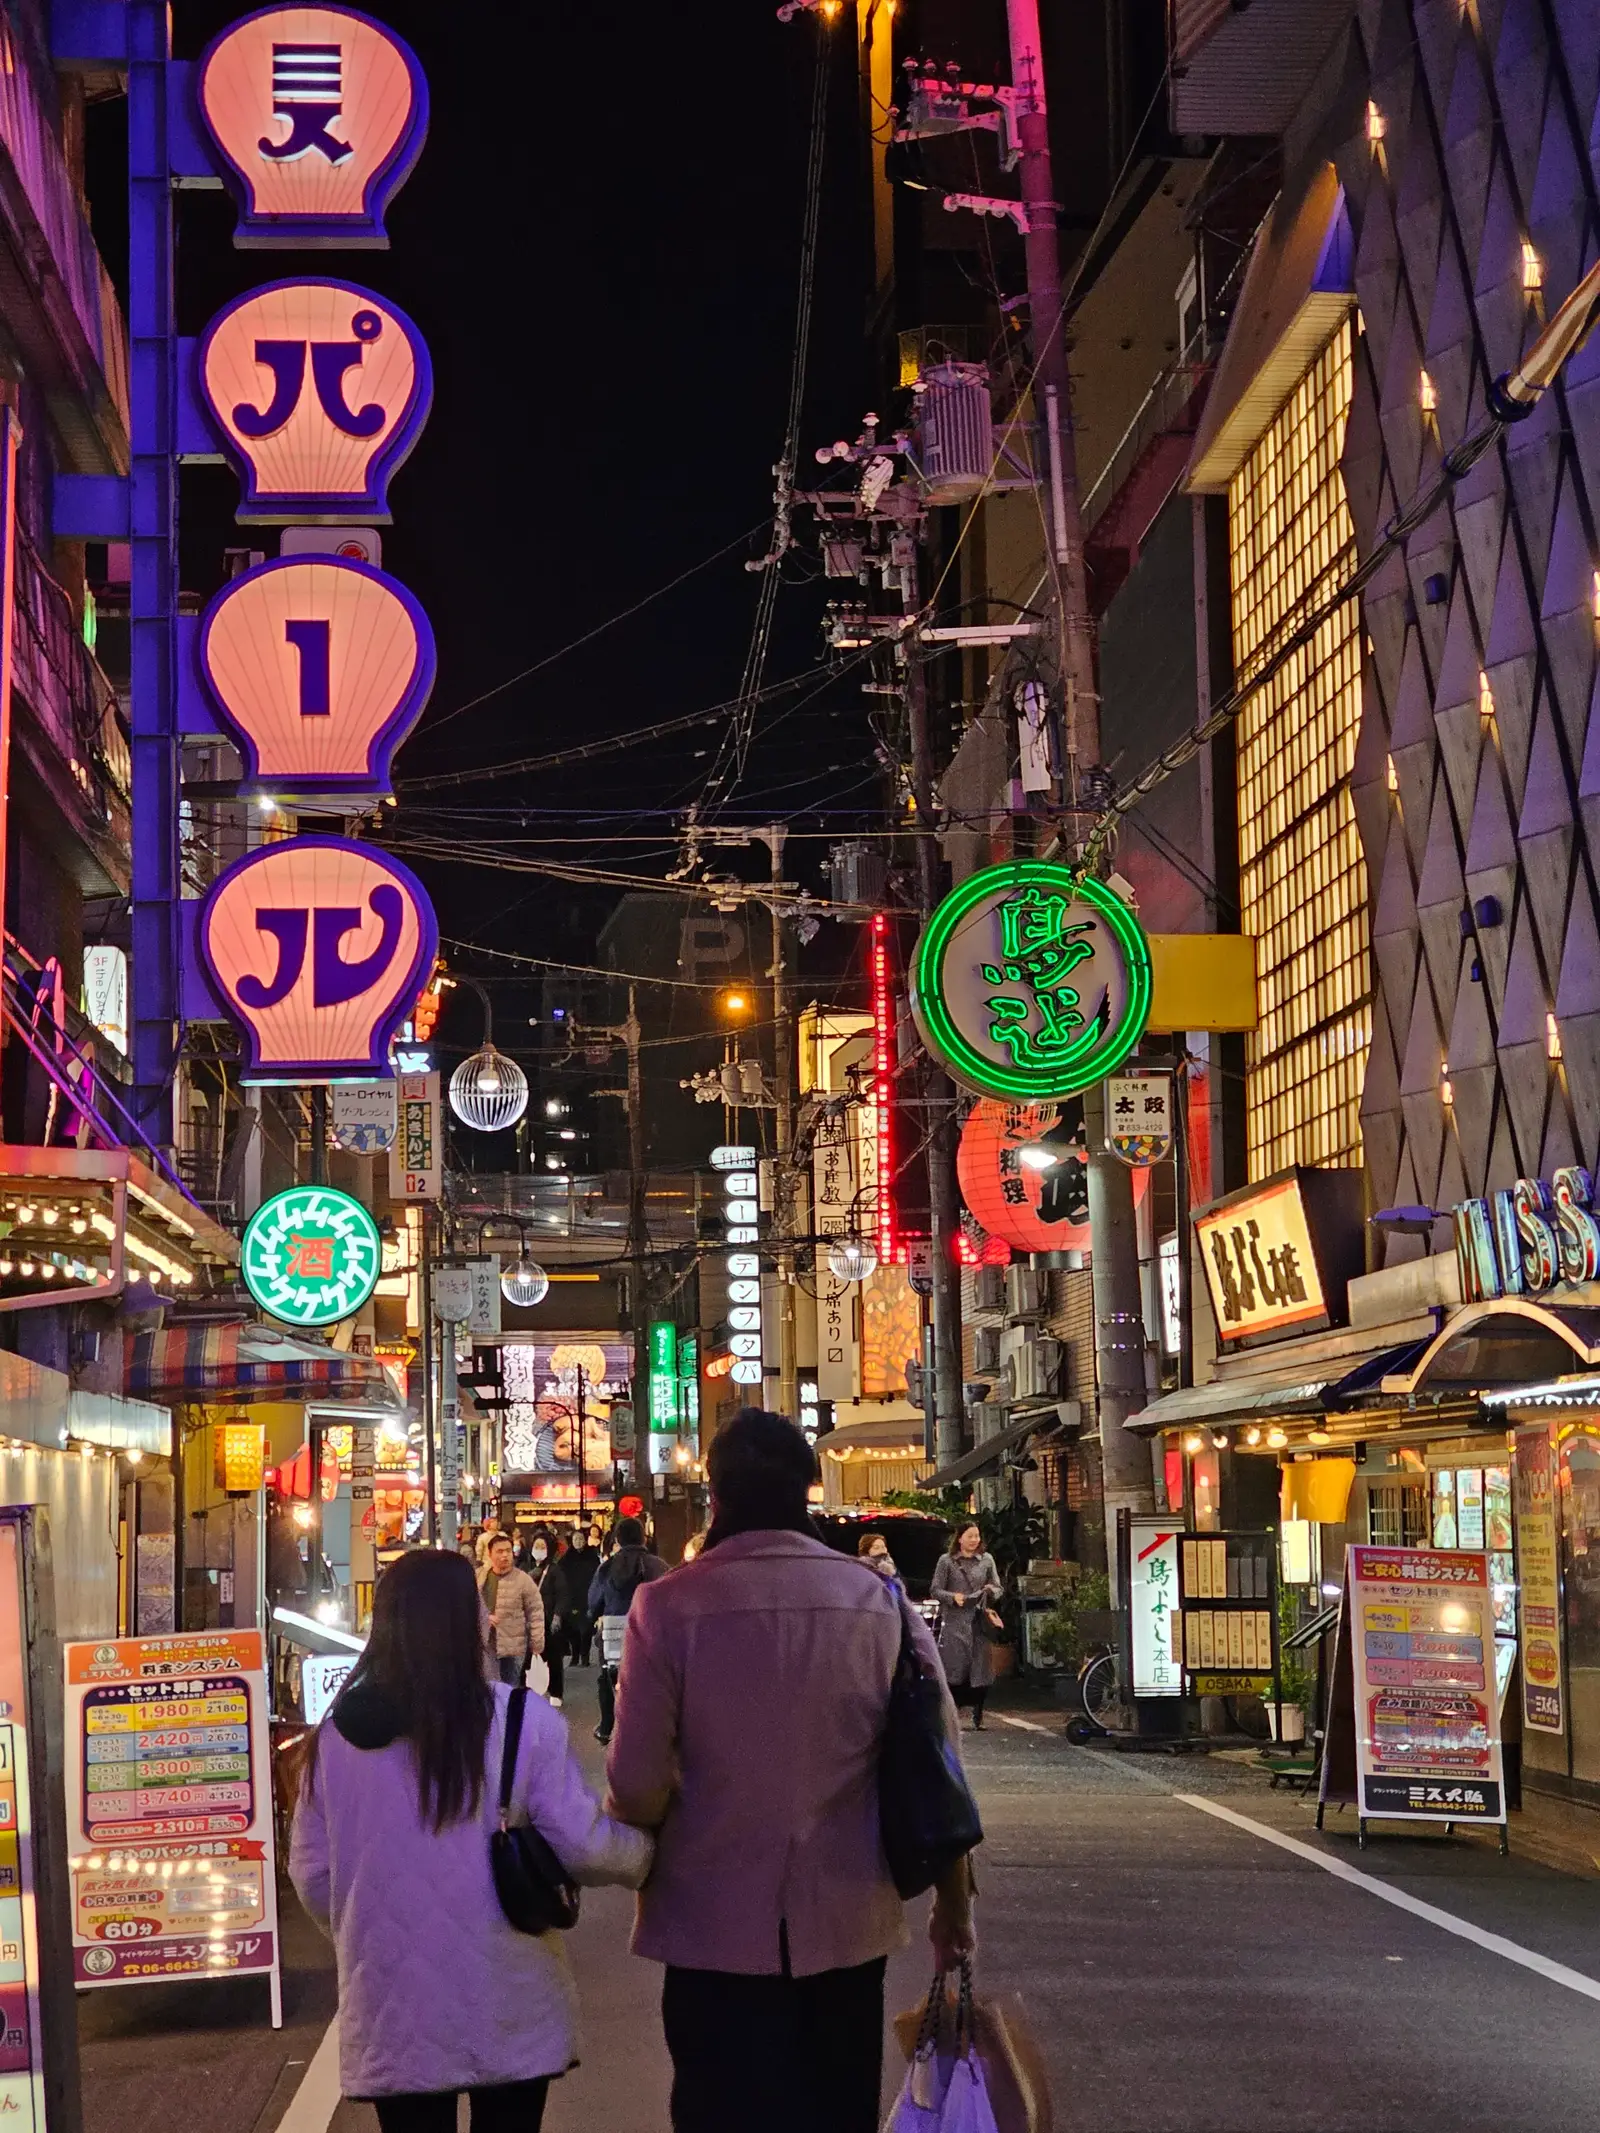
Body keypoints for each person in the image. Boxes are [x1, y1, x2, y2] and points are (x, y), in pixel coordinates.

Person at [607, 1408, 975, 2133]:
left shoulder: (667, 1606)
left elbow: (636, 1783)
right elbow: (939, 1763)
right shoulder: (881, 1603)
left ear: (717, 1494)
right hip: (844, 1924)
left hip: (710, 1929)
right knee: (835, 2112)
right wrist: (953, 1909)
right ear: (808, 1489)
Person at [290, 1549, 652, 2130]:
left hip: (391, 2001)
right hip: (504, 1992)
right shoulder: (520, 1721)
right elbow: (582, 1845)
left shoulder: (337, 1738)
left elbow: (312, 1872)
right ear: (466, 1622)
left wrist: (374, 1930)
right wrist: (649, 1855)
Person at [588, 1515, 666, 1745]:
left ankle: (606, 1727)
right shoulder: (658, 1565)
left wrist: (597, 1615)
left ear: (617, 1539)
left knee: (607, 1678)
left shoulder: (606, 1568)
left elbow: (593, 1603)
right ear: (643, 1537)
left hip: (613, 1634)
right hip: (649, 1632)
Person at [931, 1521, 1003, 1729]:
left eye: (977, 1536)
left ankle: (978, 1714)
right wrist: (954, 1597)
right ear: (960, 1538)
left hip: (978, 1620)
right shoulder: (946, 1561)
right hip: (955, 1622)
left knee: (981, 1667)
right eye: (970, 1536)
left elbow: (999, 1587)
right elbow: (935, 1590)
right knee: (955, 1668)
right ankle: (951, 1713)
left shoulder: (987, 1560)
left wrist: (991, 1590)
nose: (974, 1540)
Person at [478, 1531, 544, 1687]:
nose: (505, 1556)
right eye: (499, 1551)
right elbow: (470, 1606)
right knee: (488, 1689)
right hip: (485, 1644)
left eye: (508, 1551)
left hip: (513, 1647)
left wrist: (537, 1643)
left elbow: (535, 1612)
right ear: (489, 1553)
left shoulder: (523, 1579)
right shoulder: (480, 1576)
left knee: (510, 1689)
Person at [524, 1526, 565, 1707]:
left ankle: (555, 1691)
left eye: (542, 1546)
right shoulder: (524, 1568)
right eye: (536, 1546)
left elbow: (563, 1595)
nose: (538, 1550)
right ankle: (526, 1690)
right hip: (527, 1621)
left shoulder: (555, 1571)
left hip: (547, 1620)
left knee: (553, 1658)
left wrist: (557, 1615)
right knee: (526, 1657)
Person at [562, 1525, 602, 1666]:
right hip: (572, 1598)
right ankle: (575, 1655)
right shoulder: (566, 1559)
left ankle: (584, 1656)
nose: (578, 1541)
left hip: (587, 1598)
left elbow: (598, 1576)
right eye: (575, 1539)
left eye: (580, 1539)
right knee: (572, 1629)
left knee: (586, 1628)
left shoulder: (592, 1556)